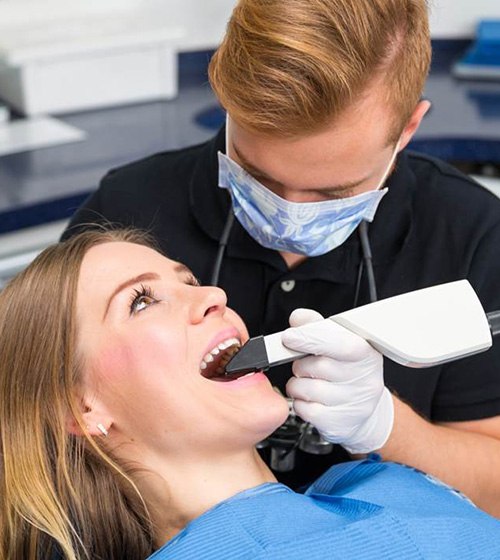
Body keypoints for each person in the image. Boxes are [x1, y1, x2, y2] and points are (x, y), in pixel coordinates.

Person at [62, 0, 500, 514]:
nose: (290, 216)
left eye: (334, 192)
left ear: (408, 128)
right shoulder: (127, 212)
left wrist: (383, 425)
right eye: (258, 178)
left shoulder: (471, 235)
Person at [2, 228, 500, 560]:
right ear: (79, 407)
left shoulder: (383, 484)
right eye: (141, 301)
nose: (213, 295)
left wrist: (385, 422)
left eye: (190, 280)